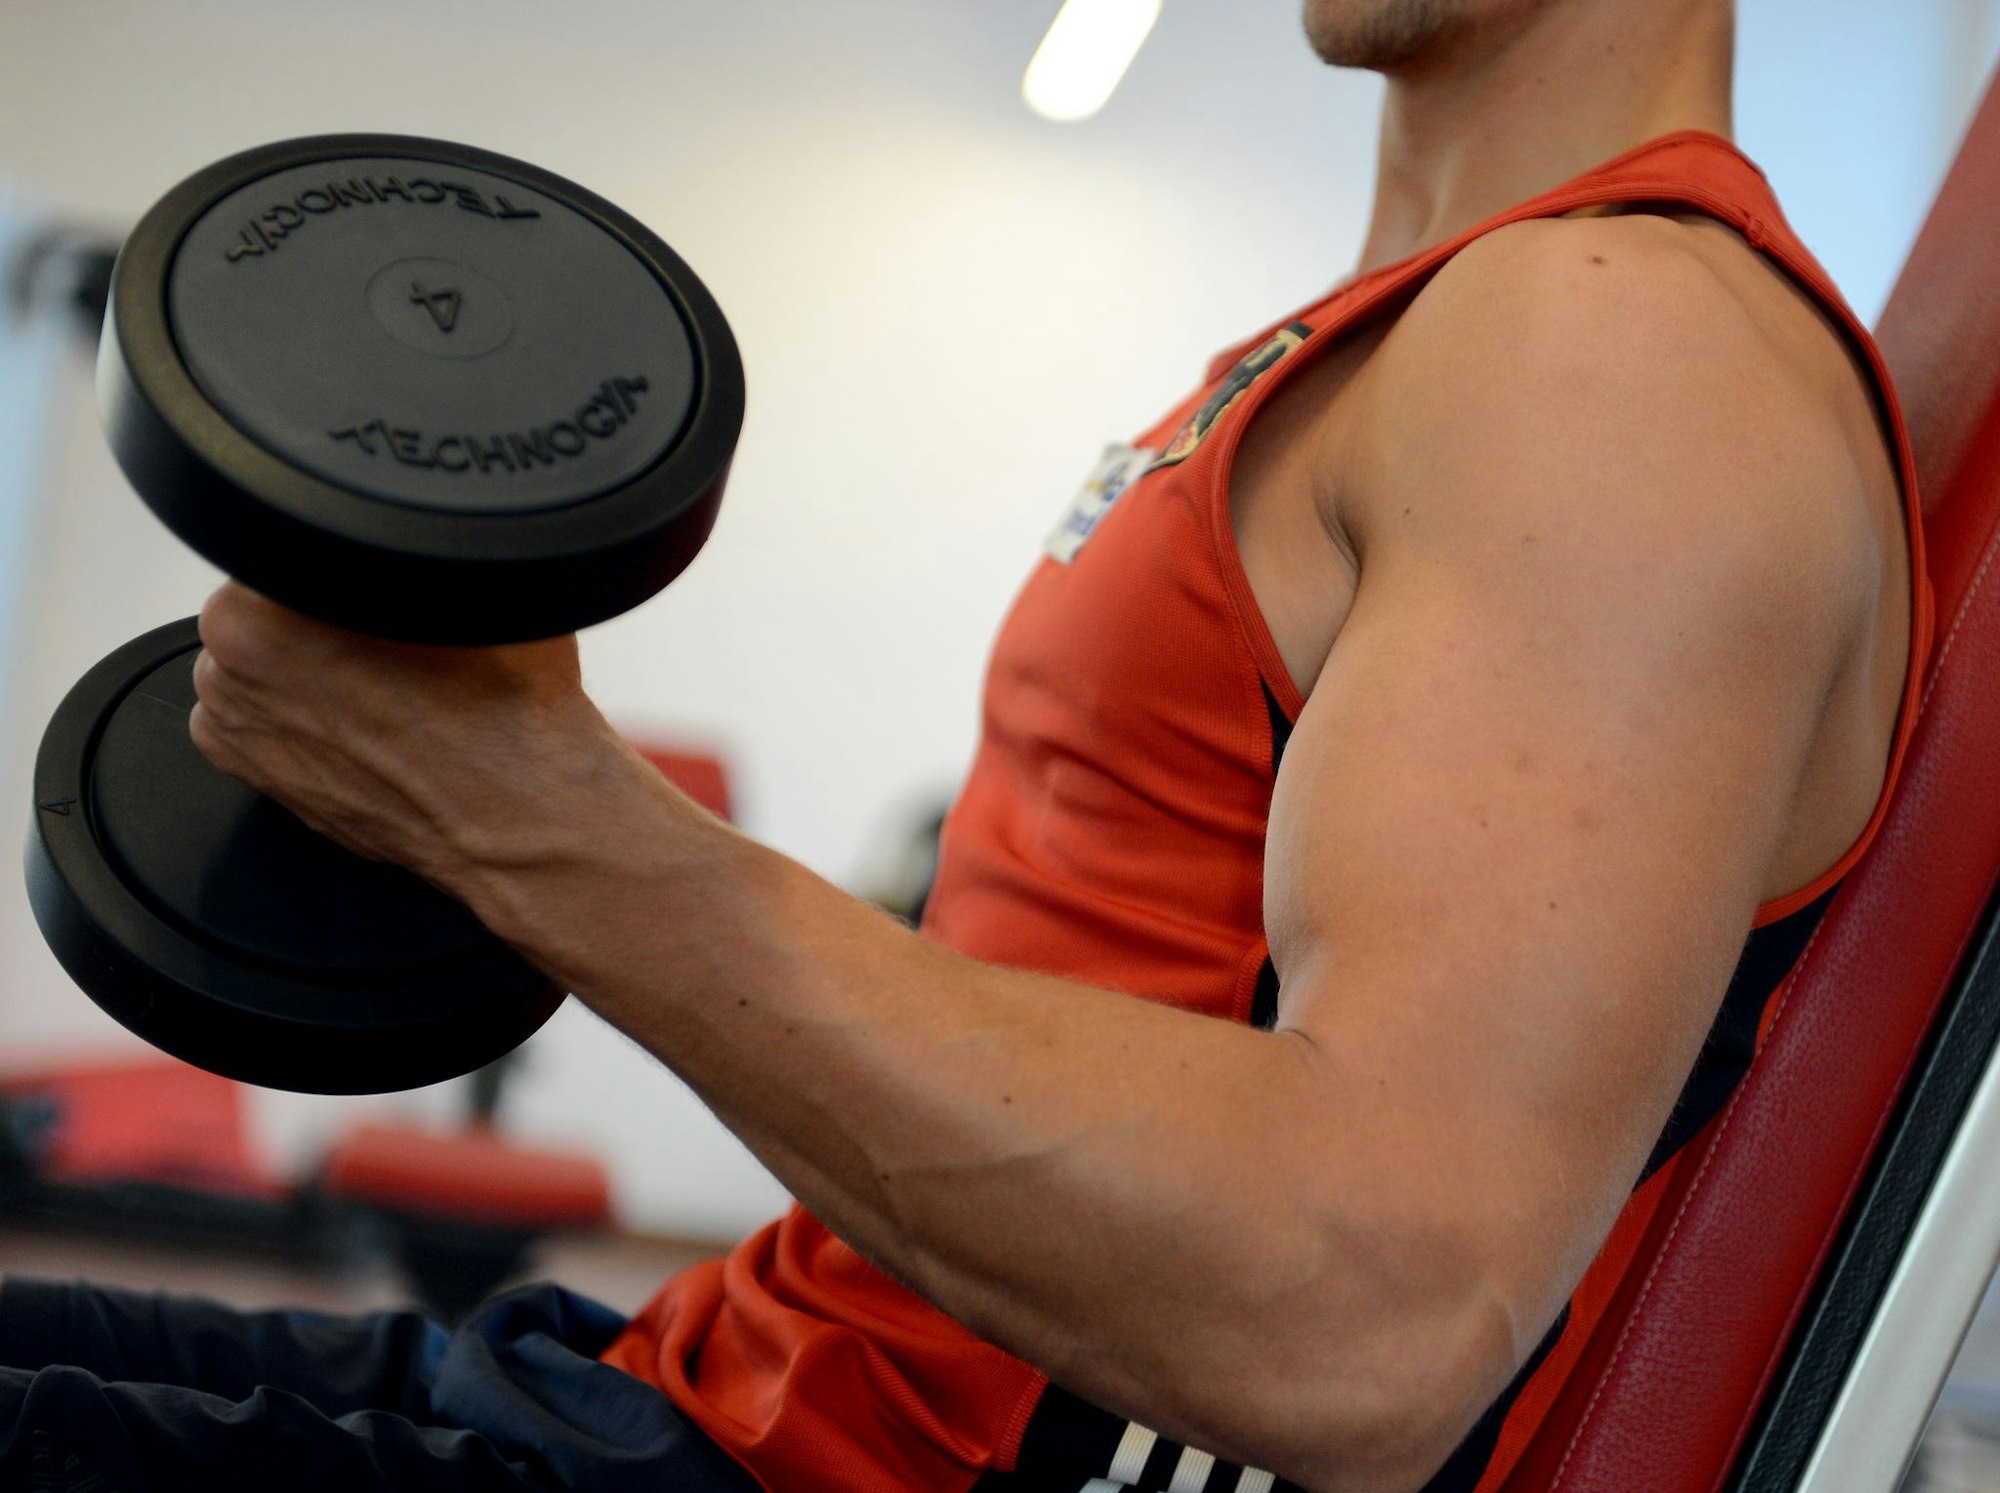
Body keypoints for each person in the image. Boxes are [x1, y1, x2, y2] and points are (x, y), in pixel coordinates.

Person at [0, 0, 1933, 1490]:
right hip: (699, 1379)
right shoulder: (1405, 334)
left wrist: (539, 822)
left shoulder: (1623, 342)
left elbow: (1371, 1304)